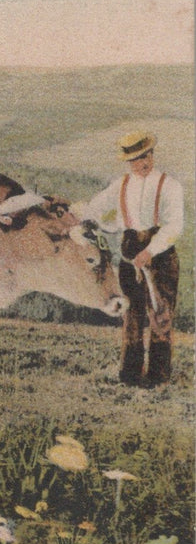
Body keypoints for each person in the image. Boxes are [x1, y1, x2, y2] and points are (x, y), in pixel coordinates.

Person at [84, 131, 184, 387]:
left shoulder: (169, 185)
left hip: (160, 256)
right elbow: (94, 210)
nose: (144, 162)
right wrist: (98, 223)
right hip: (129, 255)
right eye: (138, 158)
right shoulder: (121, 185)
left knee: (160, 314)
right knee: (132, 315)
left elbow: (175, 225)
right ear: (128, 161)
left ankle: (158, 378)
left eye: (147, 155)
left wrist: (150, 250)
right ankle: (129, 376)